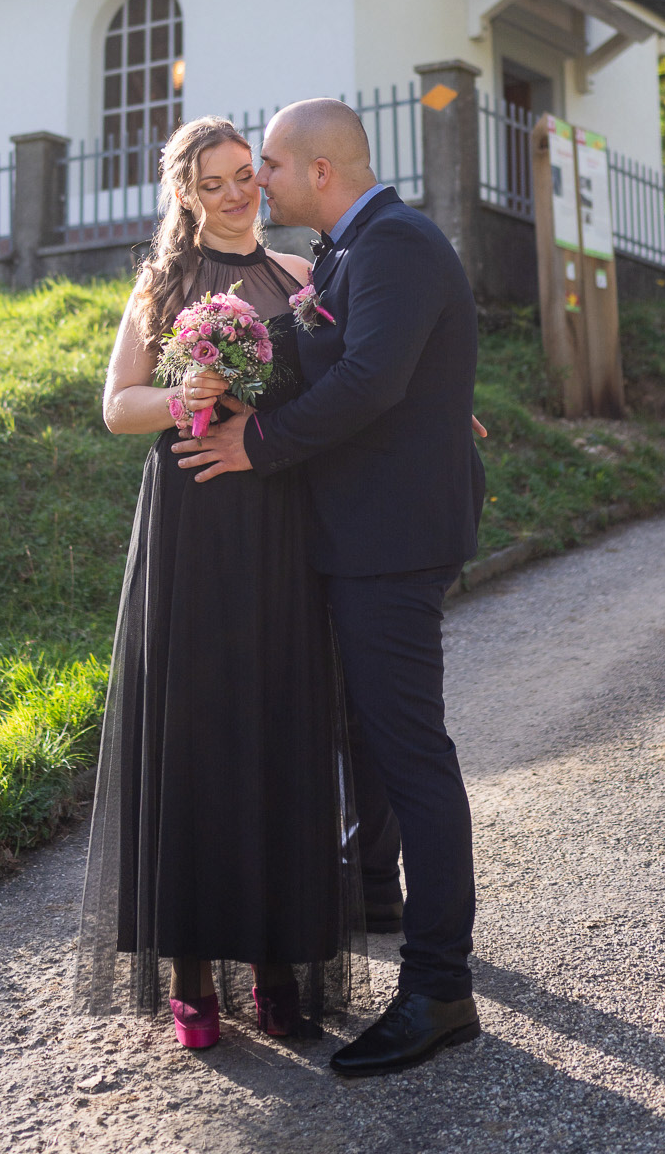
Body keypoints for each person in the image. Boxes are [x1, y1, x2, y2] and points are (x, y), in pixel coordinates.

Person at [174, 97, 485, 1078]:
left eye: (267, 163)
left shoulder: (393, 244)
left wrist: (255, 443)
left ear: (318, 171)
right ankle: (375, 891)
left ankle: (438, 990)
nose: (257, 180)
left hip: (391, 542)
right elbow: (349, 366)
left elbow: (368, 383)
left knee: (410, 752)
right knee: (374, 740)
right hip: (357, 533)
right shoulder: (347, 252)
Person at [73, 115, 367, 1049]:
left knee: (279, 726)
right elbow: (117, 406)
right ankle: (192, 976)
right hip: (193, 527)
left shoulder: (298, 275)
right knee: (195, 732)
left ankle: (279, 969)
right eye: (213, 182)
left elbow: (346, 385)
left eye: (245, 174)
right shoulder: (162, 284)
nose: (237, 193)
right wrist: (182, 396)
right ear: (185, 194)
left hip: (278, 522)